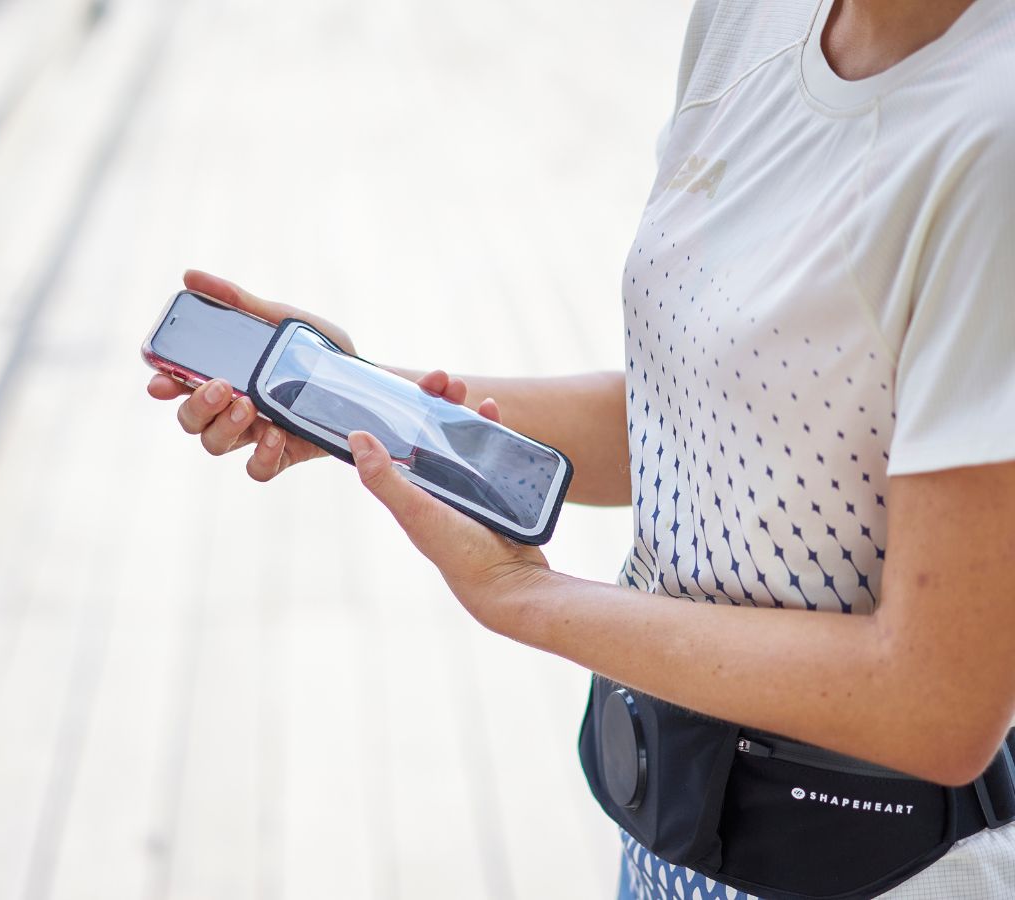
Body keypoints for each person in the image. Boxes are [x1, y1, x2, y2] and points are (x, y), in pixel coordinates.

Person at [148, 0, 1015, 896]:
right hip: (674, 835)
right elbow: (706, 419)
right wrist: (365, 399)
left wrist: (524, 596)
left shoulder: (993, 131)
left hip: (879, 866)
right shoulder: (748, 17)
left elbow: (935, 705)